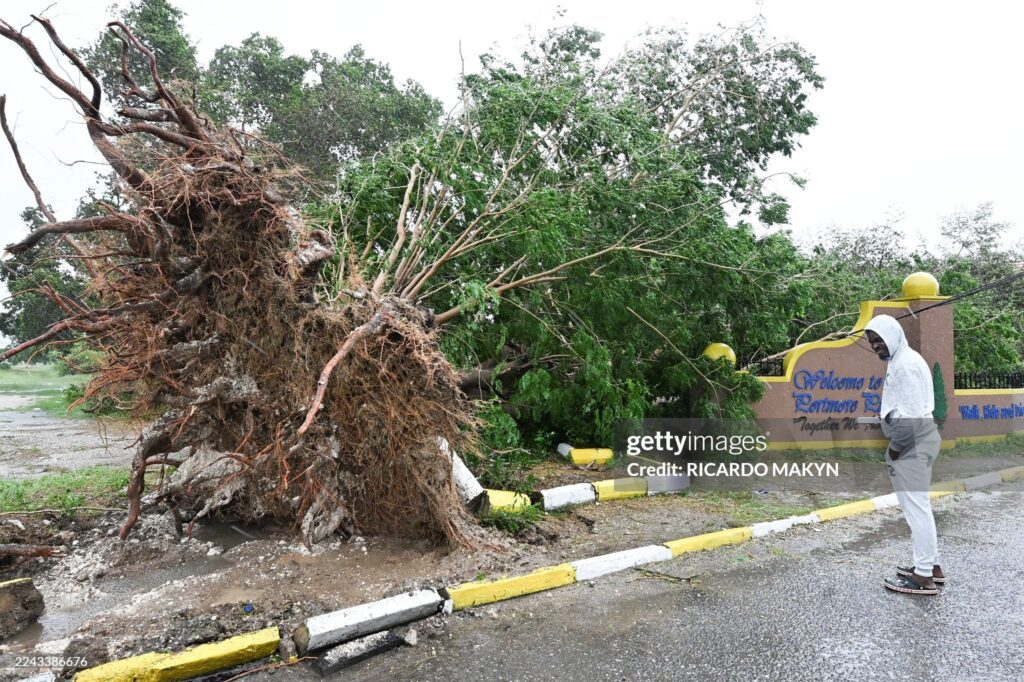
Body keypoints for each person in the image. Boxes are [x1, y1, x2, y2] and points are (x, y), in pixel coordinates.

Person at [863, 314, 944, 596]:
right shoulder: (903, 359)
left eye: (880, 339)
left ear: (894, 336)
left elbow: (910, 416)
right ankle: (930, 566)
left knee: (916, 509)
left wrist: (895, 450)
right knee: (919, 507)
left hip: (911, 443)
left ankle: (923, 578)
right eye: (872, 341)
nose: (876, 345)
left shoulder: (906, 365)